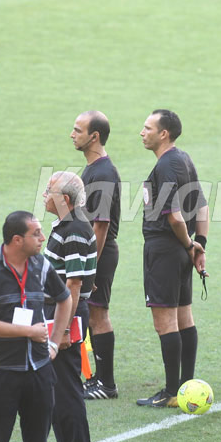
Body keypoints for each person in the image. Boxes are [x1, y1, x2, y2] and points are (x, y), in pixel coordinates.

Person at [0, 211, 73, 442]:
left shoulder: (41, 265)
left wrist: (53, 343)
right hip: (1, 373)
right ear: (17, 240)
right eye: (35, 234)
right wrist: (28, 332)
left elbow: (65, 299)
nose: (42, 238)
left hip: (39, 371)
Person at [137, 109, 209, 408]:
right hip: (180, 251)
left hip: (165, 250)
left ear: (163, 133)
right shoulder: (184, 159)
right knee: (184, 317)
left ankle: (169, 392)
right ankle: (187, 387)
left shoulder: (166, 165)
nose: (142, 132)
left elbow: (175, 217)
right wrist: (199, 244)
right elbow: (202, 206)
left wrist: (190, 242)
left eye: (147, 127)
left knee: (164, 322)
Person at [42, 171, 96, 442]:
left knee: (65, 389)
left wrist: (62, 329)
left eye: (48, 191)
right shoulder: (67, 224)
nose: (44, 196)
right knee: (54, 387)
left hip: (63, 316)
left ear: (64, 199)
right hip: (57, 313)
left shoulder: (72, 228)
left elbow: (73, 285)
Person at [71, 111, 122, 400]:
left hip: (99, 253)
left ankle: (107, 384)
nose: (72, 134)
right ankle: (97, 380)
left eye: (78, 130)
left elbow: (100, 225)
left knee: (98, 314)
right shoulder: (92, 168)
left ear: (95, 136)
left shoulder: (102, 172)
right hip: (93, 252)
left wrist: (90, 266)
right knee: (92, 314)